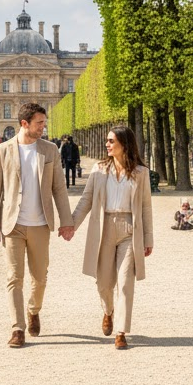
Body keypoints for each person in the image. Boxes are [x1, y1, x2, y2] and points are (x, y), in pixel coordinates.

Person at [0, 102, 74, 348]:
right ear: (24, 124)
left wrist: (66, 222)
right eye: (39, 123)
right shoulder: (3, 150)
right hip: (12, 224)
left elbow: (59, 188)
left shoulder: (50, 150)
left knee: (40, 277)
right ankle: (17, 328)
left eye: (44, 123)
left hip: (40, 223)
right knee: (14, 277)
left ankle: (33, 310)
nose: (43, 128)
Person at [71, 126, 154, 350]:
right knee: (104, 284)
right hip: (104, 227)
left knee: (126, 282)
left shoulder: (141, 172)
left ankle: (121, 331)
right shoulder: (99, 170)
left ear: (124, 145)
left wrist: (148, 238)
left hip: (129, 229)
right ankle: (108, 311)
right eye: (107, 141)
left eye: (111, 141)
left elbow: (146, 206)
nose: (107, 144)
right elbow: (86, 200)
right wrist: (71, 225)